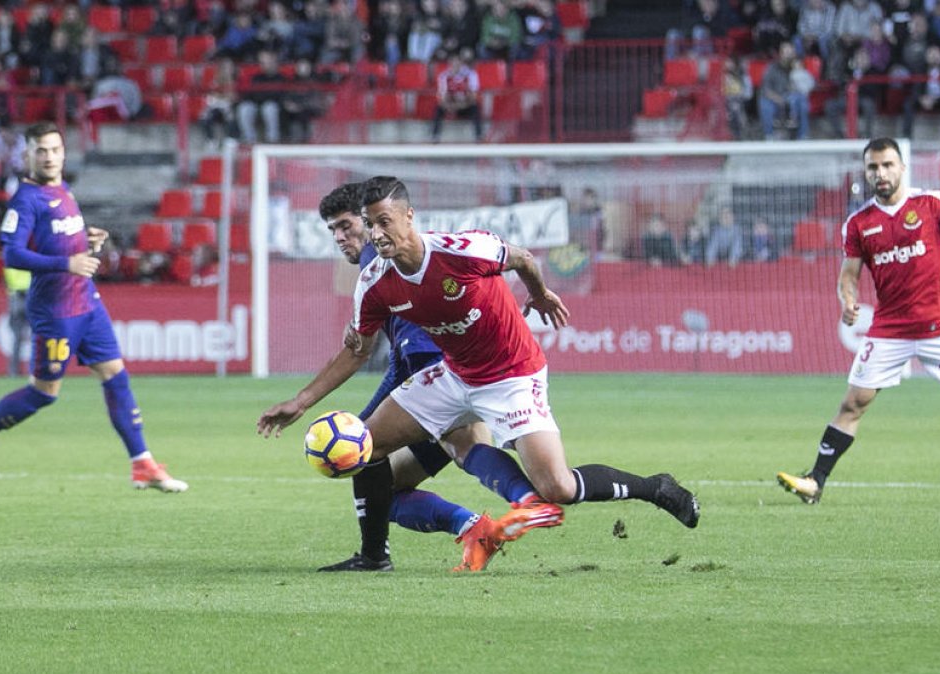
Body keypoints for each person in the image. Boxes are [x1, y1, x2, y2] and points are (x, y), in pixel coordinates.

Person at [257, 176, 700, 569]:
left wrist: (541, 295)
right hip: (453, 376)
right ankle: (376, 556)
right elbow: (356, 351)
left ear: (408, 216)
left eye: (383, 221)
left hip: (511, 375)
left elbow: (523, 258)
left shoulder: (461, 250)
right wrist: (300, 402)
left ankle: (655, 488)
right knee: (367, 446)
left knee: (558, 487)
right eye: (371, 225)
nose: (377, 233)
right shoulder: (373, 280)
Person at [315, 182, 559, 572]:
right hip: (445, 369)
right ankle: (488, 520)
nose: (346, 237)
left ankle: (380, 555)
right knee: (432, 459)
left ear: (400, 216)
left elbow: (394, 348)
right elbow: (366, 344)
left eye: (348, 226)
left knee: (380, 453)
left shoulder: (380, 260)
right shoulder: (379, 263)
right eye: (336, 230)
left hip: (440, 369)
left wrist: (304, 402)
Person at [776, 137, 940, 508]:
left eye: (887, 165)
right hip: (890, 329)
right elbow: (848, 276)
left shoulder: (932, 204)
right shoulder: (859, 223)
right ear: (866, 172)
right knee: (854, 402)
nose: (880, 173)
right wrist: (849, 300)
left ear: (902, 167)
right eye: (873, 167)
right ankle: (814, 481)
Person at [0, 122, 187, 493]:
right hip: (56, 310)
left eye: (54, 149)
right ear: (29, 154)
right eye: (40, 150)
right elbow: (12, 254)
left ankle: (141, 462)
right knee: (44, 393)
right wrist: (67, 264)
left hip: (87, 301)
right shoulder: (25, 199)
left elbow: (59, 239)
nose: (48, 156)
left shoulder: (63, 190)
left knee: (116, 374)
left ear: (63, 152)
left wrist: (86, 240)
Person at [758, 41, 810, 140]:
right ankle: (769, 136)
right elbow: (765, 88)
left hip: (792, 98)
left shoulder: (798, 67)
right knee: (764, 103)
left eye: (790, 53)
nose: (788, 56)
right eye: (786, 53)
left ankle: (803, 136)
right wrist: (777, 99)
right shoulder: (771, 68)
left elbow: (806, 84)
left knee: (802, 101)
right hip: (774, 97)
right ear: (780, 54)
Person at [432, 51, 483, 143]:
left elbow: (474, 96)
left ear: (461, 63)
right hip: (450, 106)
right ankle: (435, 136)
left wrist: (462, 105)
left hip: (465, 105)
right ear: (449, 64)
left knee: (475, 108)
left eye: (457, 62)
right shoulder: (443, 76)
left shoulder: (471, 75)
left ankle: (478, 136)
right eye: (453, 63)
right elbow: (442, 97)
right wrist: (449, 106)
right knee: (438, 109)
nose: (455, 65)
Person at [4, 265, 30, 377]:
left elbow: (7, 280)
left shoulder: (10, 261)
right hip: (31, 298)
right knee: (38, 337)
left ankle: (13, 371)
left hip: (16, 299)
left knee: (17, 338)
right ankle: (38, 370)